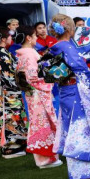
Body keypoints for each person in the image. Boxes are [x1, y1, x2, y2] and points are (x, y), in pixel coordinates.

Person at [41, 14, 90, 179]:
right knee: (81, 130)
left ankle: (75, 173)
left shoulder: (55, 46)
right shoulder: (67, 47)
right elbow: (80, 70)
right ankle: (84, 174)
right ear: (69, 29)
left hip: (65, 91)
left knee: (71, 129)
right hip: (76, 92)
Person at [16, 26, 58, 167]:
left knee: (38, 122)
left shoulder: (22, 53)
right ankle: (45, 159)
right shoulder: (29, 53)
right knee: (42, 123)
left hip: (32, 93)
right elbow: (33, 77)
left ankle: (46, 156)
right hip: (37, 92)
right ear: (28, 38)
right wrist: (50, 78)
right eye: (34, 36)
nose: (36, 38)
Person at [0, 28, 28, 158]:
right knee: (10, 117)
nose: (11, 39)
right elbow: (7, 74)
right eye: (9, 37)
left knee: (10, 116)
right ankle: (10, 147)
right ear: (3, 39)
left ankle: (16, 144)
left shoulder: (2, 52)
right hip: (7, 90)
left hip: (4, 90)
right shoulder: (2, 53)